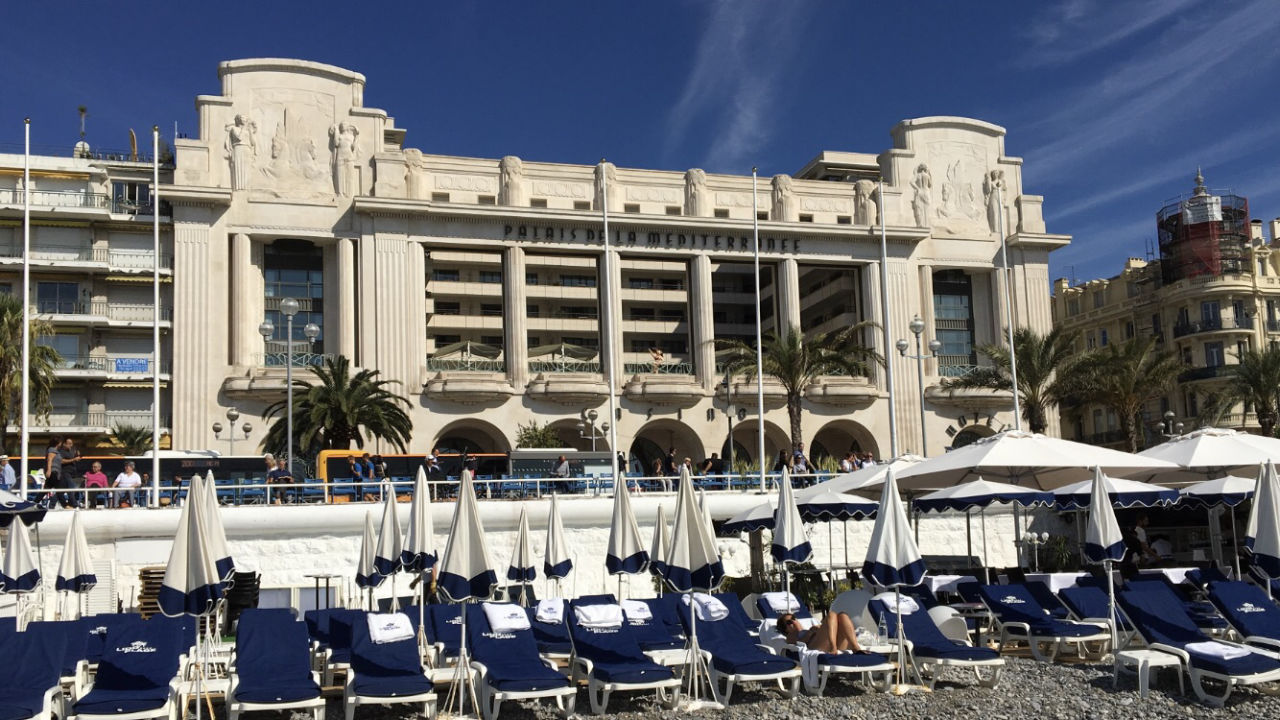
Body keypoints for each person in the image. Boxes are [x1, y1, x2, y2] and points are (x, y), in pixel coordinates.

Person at [776, 611, 870, 654]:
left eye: (793, 618)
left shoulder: (809, 627)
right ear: (786, 629)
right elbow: (798, 644)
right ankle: (833, 648)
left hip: (835, 644)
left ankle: (855, 647)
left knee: (842, 615)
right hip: (815, 647)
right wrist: (810, 633)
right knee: (831, 614)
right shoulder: (791, 635)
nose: (793, 621)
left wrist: (822, 628)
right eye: (789, 622)